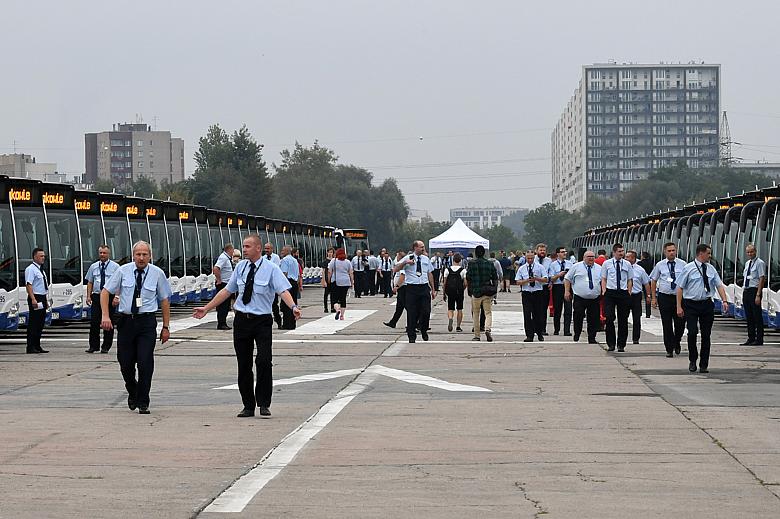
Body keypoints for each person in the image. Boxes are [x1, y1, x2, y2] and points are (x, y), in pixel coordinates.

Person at [193, 234, 301, 417]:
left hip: (262, 321)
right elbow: (228, 291)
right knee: (244, 364)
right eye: (243, 246)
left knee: (264, 360)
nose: (244, 250)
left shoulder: (271, 269)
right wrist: (207, 308)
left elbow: (283, 290)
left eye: (248, 246)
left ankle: (264, 402)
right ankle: (248, 405)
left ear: (258, 248)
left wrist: (293, 307)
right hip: (242, 320)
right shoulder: (241, 267)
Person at [101, 241, 171, 414]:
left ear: (150, 256)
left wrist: (166, 327)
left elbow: (164, 300)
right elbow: (105, 292)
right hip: (126, 321)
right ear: (133, 255)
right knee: (125, 362)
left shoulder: (157, 273)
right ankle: (133, 389)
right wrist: (105, 315)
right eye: (138, 254)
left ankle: (143, 400)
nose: (141, 258)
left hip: (146, 322)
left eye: (144, 254)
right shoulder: (123, 271)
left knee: (145, 361)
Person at [676, 244, 729, 373]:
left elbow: (719, 285)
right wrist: (678, 306)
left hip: (706, 304)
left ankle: (704, 363)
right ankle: (693, 359)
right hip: (691, 304)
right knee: (692, 332)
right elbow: (680, 287)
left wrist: (725, 300)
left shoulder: (711, 269)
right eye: (708, 253)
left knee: (706, 335)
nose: (710, 256)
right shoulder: (688, 268)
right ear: (701, 253)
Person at [395, 241, 436, 343]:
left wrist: (433, 289)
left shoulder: (426, 259)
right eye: (421, 247)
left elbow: (429, 273)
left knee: (426, 311)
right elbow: (395, 269)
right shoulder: (407, 258)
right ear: (415, 247)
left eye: (423, 247)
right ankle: (411, 335)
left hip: (424, 287)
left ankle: (424, 329)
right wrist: (405, 263)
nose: (423, 249)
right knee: (412, 312)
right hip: (412, 288)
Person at [650, 242, 687, 357]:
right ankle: (669, 348)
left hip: (679, 298)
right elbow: (653, 280)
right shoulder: (660, 265)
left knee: (680, 323)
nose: (671, 253)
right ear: (665, 252)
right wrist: (653, 298)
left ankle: (677, 341)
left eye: (673, 250)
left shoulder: (683, 264)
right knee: (667, 324)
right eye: (669, 251)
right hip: (665, 297)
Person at [85, 244, 120, 353]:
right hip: (96, 296)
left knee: (108, 322)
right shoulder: (94, 266)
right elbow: (90, 282)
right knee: (94, 322)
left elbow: (119, 283)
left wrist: (117, 296)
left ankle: (106, 346)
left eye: (104, 253)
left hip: (110, 296)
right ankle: (93, 346)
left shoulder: (116, 267)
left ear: (108, 254)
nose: (102, 255)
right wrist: (88, 296)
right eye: (100, 253)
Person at [564, 250, 602, 344]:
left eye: (592, 256)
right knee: (578, 316)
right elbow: (567, 279)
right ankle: (577, 333)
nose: (591, 258)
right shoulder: (576, 267)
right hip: (580, 297)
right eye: (588, 256)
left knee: (593, 318)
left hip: (594, 298)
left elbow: (603, 280)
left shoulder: (599, 268)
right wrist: (567, 291)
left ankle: (592, 337)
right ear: (584, 257)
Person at [600, 243, 633, 352]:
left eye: (622, 251)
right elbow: (604, 278)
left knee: (623, 319)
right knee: (609, 318)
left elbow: (629, 279)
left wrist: (629, 291)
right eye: (619, 251)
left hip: (623, 293)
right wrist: (604, 291)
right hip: (610, 292)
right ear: (614, 252)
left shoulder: (627, 264)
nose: (621, 253)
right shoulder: (607, 263)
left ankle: (621, 344)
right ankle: (611, 343)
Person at [515, 250, 548, 342]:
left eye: (531, 258)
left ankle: (539, 332)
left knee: (538, 314)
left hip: (537, 292)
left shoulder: (540, 267)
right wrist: (525, 281)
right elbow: (517, 281)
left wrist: (537, 278)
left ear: (534, 258)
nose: (530, 260)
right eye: (528, 258)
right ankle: (529, 335)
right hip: (527, 293)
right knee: (527, 315)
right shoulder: (522, 269)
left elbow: (545, 279)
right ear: (525, 258)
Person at [466, 245, 497, 342]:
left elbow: (468, 277)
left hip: (476, 292)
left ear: (475, 253)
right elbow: (495, 277)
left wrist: (470, 290)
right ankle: (487, 329)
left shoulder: (471, 264)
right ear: (484, 253)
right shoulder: (489, 263)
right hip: (487, 291)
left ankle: (477, 335)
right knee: (488, 312)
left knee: (475, 313)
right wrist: (494, 289)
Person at [25, 248, 49, 354]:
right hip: (35, 297)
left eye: (44, 256)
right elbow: (29, 285)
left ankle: (37, 345)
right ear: (35, 257)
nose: (43, 258)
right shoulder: (31, 269)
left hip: (42, 297)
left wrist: (46, 301)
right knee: (34, 322)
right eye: (41, 256)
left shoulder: (41, 270)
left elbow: (43, 286)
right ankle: (30, 346)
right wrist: (33, 299)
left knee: (40, 323)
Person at [741, 243, 766, 346]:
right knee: (749, 316)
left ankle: (759, 339)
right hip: (746, 290)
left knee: (757, 316)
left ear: (755, 251)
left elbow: (762, 278)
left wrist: (758, 294)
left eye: (751, 252)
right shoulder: (747, 263)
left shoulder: (760, 263)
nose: (750, 254)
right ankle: (751, 338)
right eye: (748, 252)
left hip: (754, 291)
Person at [627, 250, 651, 345]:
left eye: (628, 257)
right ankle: (622, 338)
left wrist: (648, 296)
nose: (626, 258)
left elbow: (646, 283)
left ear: (633, 258)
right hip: (625, 295)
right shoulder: (622, 268)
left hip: (636, 296)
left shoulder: (640, 270)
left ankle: (636, 338)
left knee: (637, 318)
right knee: (623, 317)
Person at [548, 246, 573, 336]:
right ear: (558, 254)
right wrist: (559, 275)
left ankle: (567, 330)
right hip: (557, 287)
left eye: (565, 252)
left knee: (568, 309)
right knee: (557, 309)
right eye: (562, 252)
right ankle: (556, 329)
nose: (564, 253)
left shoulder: (570, 264)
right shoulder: (553, 265)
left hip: (568, 286)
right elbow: (551, 278)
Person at [443, 253, 467, 333]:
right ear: (460, 261)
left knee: (450, 308)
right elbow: (465, 283)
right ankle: (458, 326)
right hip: (459, 291)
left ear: (453, 260)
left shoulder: (447, 270)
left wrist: (444, 293)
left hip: (450, 291)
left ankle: (450, 318)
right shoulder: (463, 270)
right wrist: (463, 288)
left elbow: (444, 283)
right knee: (459, 308)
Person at [213, 243, 235, 330]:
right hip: (223, 284)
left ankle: (223, 322)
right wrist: (219, 280)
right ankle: (221, 323)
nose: (233, 252)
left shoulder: (226, 258)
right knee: (223, 305)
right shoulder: (223, 258)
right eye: (232, 250)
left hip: (227, 283)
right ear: (229, 249)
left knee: (226, 305)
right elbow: (216, 268)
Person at [383, 251, 407, 329]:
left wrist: (397, 286)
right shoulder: (400, 263)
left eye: (397, 256)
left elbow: (402, 276)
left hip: (403, 288)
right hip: (401, 288)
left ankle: (415, 323)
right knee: (399, 307)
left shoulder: (402, 264)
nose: (396, 257)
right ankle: (393, 322)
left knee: (408, 307)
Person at [328, 248, 354, 320]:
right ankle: (342, 316)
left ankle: (337, 309)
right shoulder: (348, 262)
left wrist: (329, 280)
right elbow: (351, 273)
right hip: (346, 282)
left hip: (336, 281)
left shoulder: (334, 261)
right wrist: (352, 282)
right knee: (343, 299)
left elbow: (330, 271)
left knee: (334, 299)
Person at [280, 245, 300, 330]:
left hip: (287, 282)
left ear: (287, 251)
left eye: (283, 250)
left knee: (286, 304)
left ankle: (286, 324)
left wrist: (281, 285)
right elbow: (298, 274)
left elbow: (284, 273)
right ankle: (292, 324)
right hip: (294, 283)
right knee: (293, 303)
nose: (281, 252)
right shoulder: (295, 260)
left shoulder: (285, 260)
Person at [263, 243, 283, 328]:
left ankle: (278, 322)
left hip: (272, 286)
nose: (266, 250)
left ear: (272, 249)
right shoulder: (263, 258)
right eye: (265, 248)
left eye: (268, 248)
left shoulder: (276, 258)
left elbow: (275, 269)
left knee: (274, 305)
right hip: (264, 285)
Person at [534, 243, 552, 335]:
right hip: (534, 287)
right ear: (536, 251)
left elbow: (551, 272)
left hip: (545, 287)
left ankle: (542, 329)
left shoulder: (549, 261)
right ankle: (534, 328)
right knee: (535, 308)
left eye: (544, 250)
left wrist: (550, 282)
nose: (542, 252)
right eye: (541, 250)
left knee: (544, 309)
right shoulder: (532, 260)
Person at [639, 251, 654, 317]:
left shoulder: (640, 263)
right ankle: (648, 313)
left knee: (639, 297)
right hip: (648, 281)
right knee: (648, 296)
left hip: (640, 281)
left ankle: (639, 311)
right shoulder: (651, 263)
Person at [320, 248, 335, 313]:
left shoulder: (334, 261)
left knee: (333, 294)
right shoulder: (325, 262)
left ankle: (332, 307)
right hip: (326, 279)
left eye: (331, 252)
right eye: (329, 252)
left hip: (333, 279)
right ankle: (325, 308)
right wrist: (323, 280)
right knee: (326, 294)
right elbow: (323, 271)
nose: (330, 254)